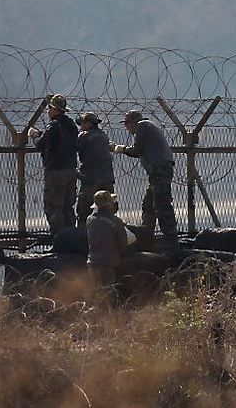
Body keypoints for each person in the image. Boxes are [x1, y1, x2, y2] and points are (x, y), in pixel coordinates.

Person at [110, 110, 178, 245]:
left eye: (127, 123)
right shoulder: (148, 126)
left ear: (133, 122)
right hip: (159, 169)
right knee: (149, 203)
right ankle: (147, 235)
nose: (126, 127)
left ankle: (171, 240)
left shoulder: (142, 126)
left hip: (159, 169)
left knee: (161, 203)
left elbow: (137, 150)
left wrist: (119, 148)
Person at [28, 94, 78, 234]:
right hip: (71, 169)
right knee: (68, 206)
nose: (48, 111)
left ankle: (59, 239)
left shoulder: (53, 126)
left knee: (54, 206)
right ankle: (71, 239)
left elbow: (41, 144)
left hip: (56, 170)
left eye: (50, 108)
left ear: (55, 109)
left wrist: (34, 135)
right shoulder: (71, 125)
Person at [75, 112, 115, 228]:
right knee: (108, 211)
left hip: (91, 178)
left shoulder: (84, 135)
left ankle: (83, 239)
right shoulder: (103, 135)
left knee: (84, 211)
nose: (81, 127)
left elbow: (74, 147)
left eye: (82, 124)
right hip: (107, 178)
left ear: (88, 124)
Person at [86, 189, 130, 289]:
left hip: (92, 261)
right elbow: (123, 245)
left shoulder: (89, 220)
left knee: (96, 291)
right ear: (109, 204)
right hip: (108, 262)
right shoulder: (116, 221)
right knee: (108, 291)